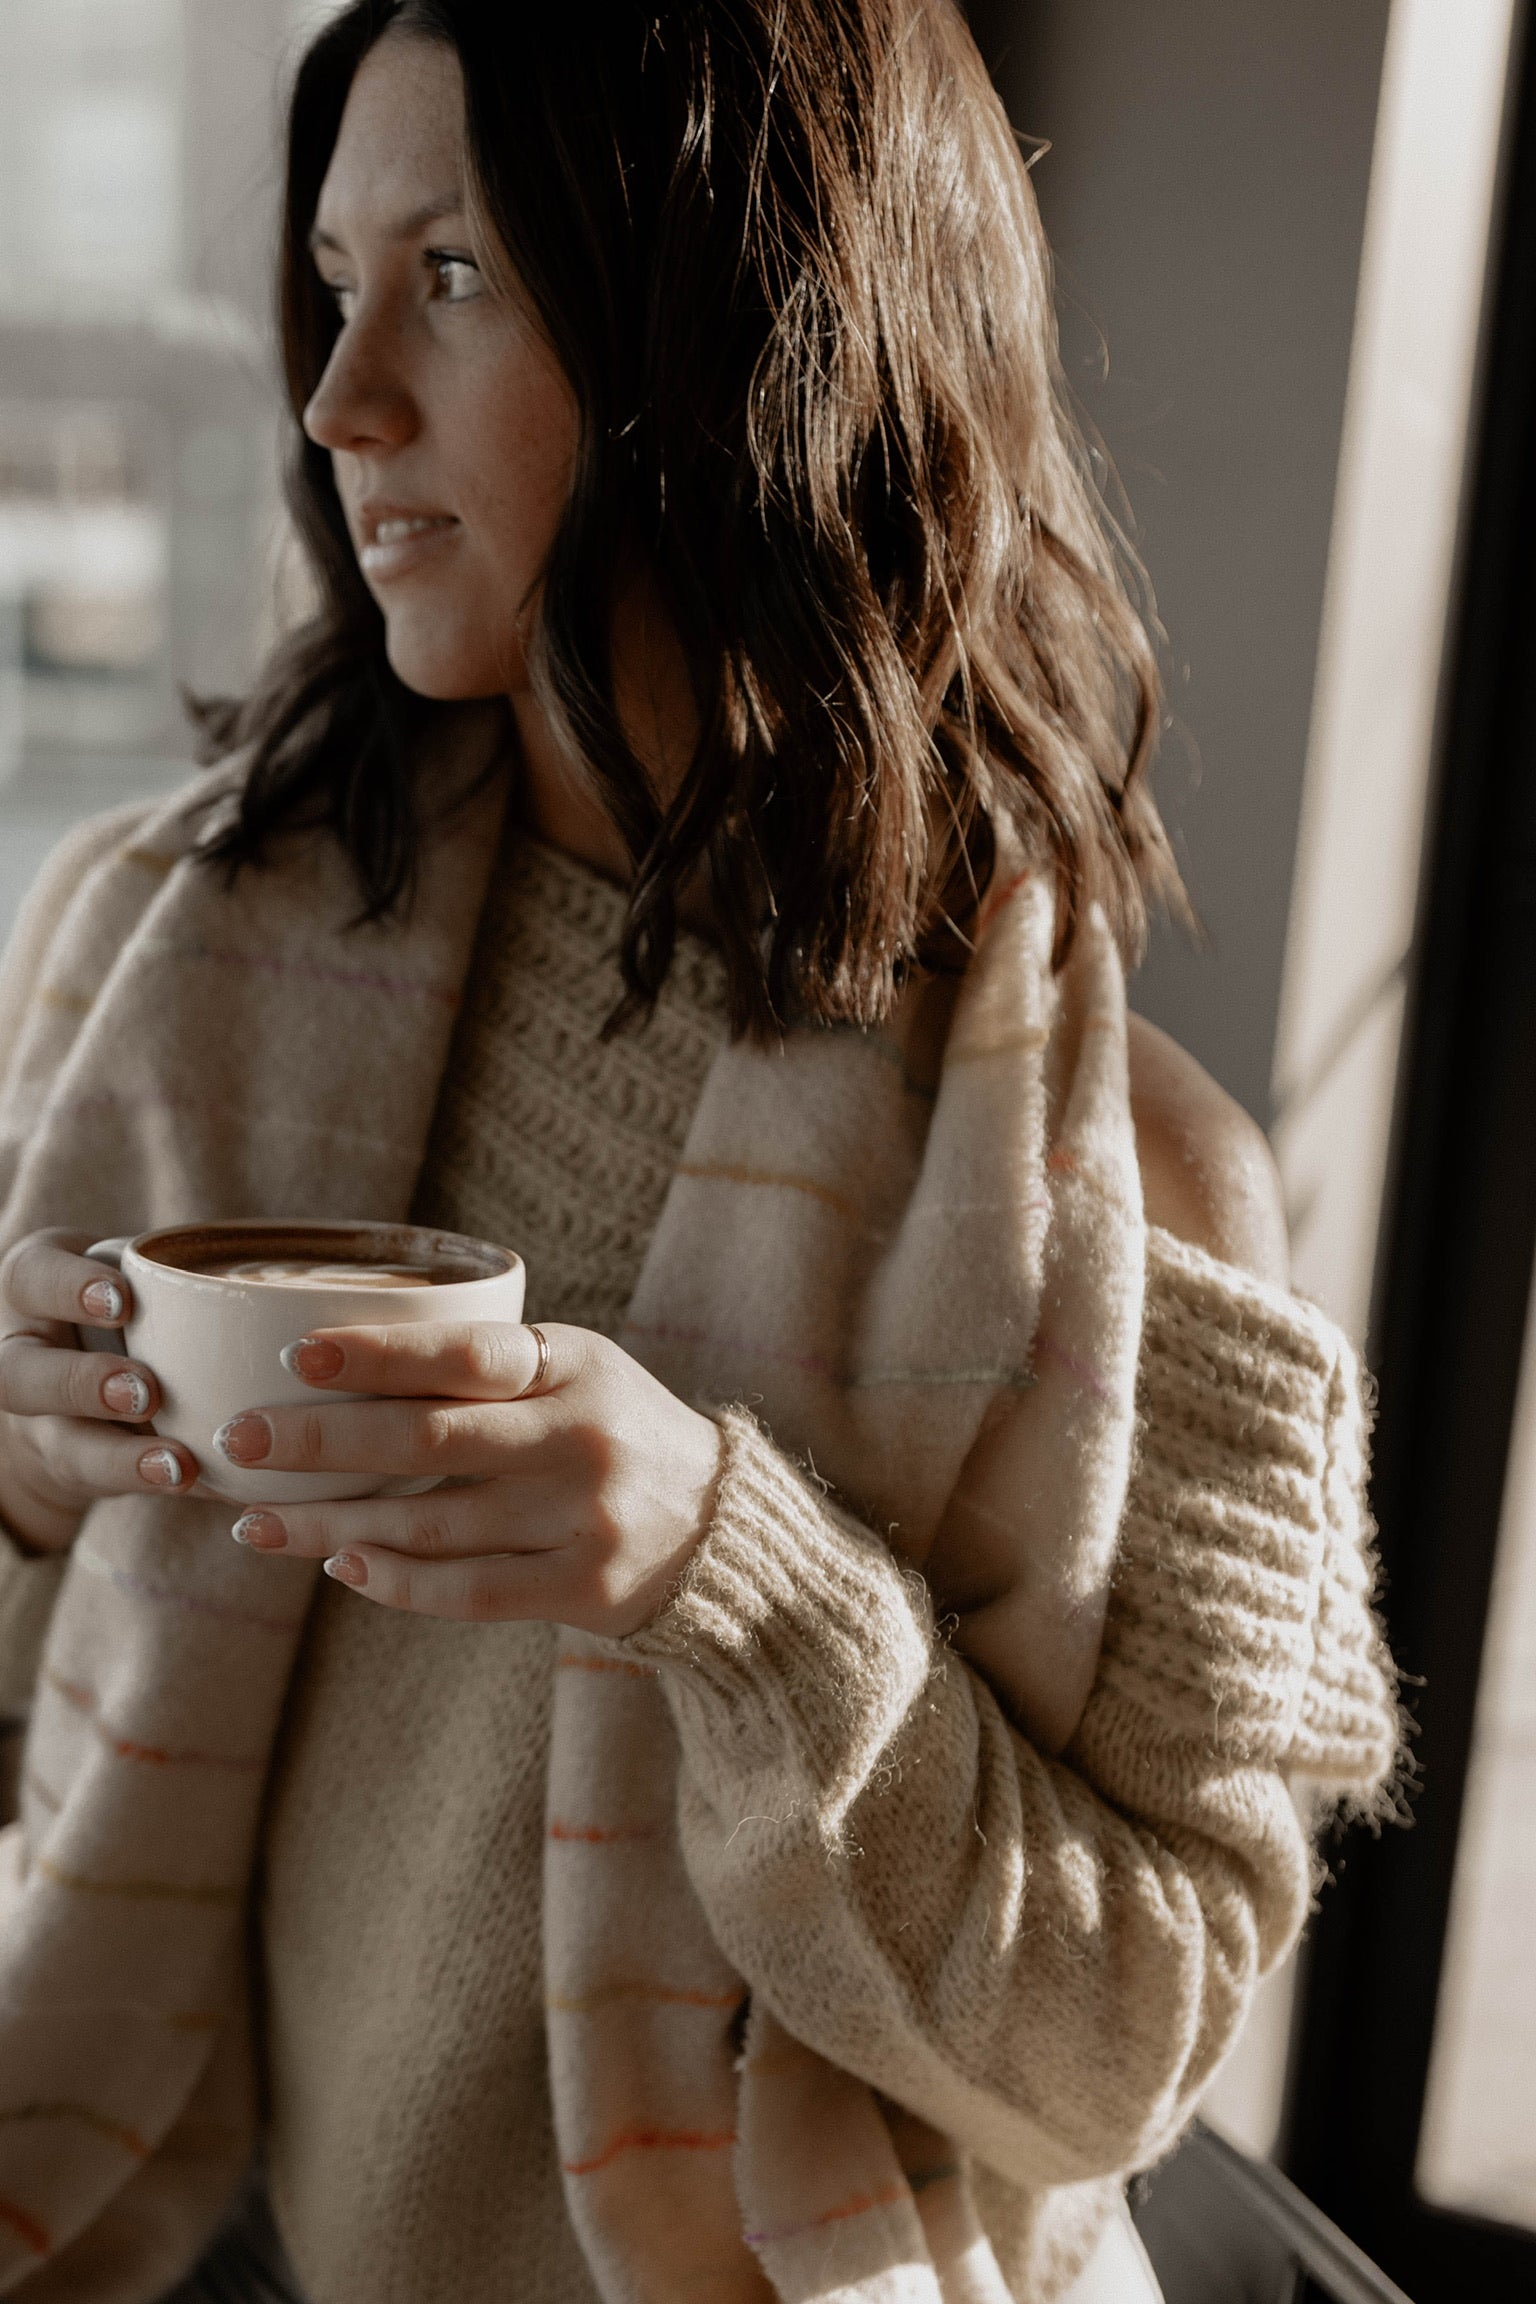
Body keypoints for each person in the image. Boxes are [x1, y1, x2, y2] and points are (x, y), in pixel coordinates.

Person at [0, 4, 1398, 2301]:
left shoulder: (1136, 1194)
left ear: (744, 329)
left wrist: (730, 1578)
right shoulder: (169, 948)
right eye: (333, 285)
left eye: (452, 277)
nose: (341, 400)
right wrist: (27, 1469)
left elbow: (1128, 2047)